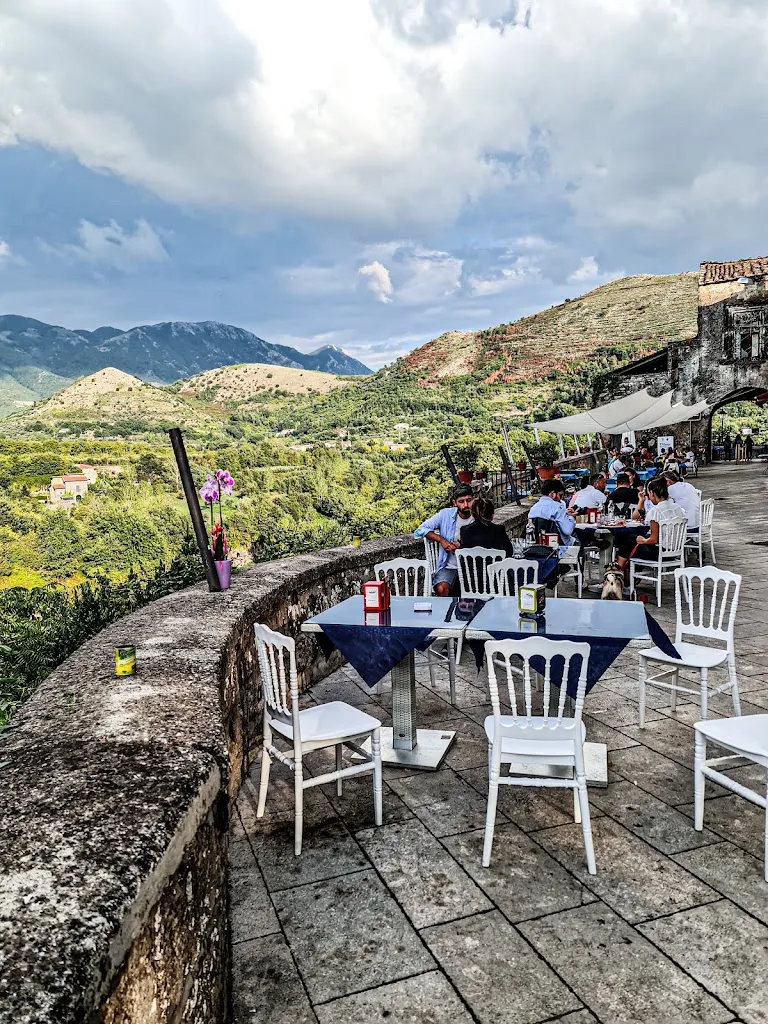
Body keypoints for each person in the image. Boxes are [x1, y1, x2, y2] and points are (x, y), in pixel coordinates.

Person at [615, 476, 687, 579]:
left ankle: (618, 573)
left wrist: (642, 540)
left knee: (628, 540)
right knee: (631, 542)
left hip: (661, 553)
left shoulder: (656, 511)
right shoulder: (677, 508)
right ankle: (625, 576)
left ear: (652, 493)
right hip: (675, 552)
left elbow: (653, 540)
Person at [527, 479, 576, 544]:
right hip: (560, 545)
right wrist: (571, 517)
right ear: (553, 494)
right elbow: (567, 531)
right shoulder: (558, 507)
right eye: (560, 495)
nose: (560, 499)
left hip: (539, 544)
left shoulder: (533, 508)